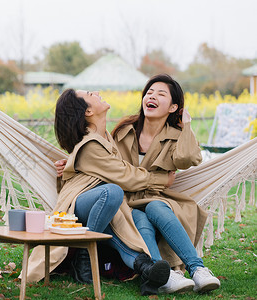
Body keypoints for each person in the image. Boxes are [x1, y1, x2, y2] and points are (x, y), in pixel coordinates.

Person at [55, 74, 220, 294]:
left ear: (173, 107)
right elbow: (113, 168)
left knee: (154, 207)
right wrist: (72, 164)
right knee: (133, 210)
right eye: (149, 92)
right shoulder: (123, 130)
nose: (152, 96)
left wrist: (186, 125)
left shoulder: (175, 136)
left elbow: (189, 159)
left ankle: (195, 270)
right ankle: (163, 274)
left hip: (153, 198)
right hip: (124, 199)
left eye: (161, 94)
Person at [49, 88, 175, 295]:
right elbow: (126, 176)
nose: (97, 92)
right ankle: (84, 256)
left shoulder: (104, 137)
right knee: (112, 192)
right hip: (80, 204)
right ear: (88, 111)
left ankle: (146, 269)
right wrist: (163, 179)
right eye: (90, 94)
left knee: (122, 234)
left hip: (104, 208)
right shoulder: (90, 145)